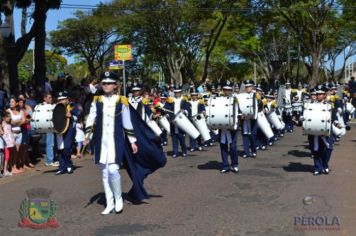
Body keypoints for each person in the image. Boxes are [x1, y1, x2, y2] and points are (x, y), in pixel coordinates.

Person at [84, 71, 166, 215]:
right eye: (104, 83)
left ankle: (118, 199)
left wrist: (133, 141)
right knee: (104, 172)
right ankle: (109, 203)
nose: (106, 85)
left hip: (117, 140)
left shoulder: (121, 101)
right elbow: (91, 118)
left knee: (113, 170)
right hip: (101, 140)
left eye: (109, 83)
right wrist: (87, 135)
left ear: (116, 85)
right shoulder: (97, 100)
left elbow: (128, 122)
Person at [55, 91, 80, 175]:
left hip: (69, 130)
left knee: (67, 148)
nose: (61, 101)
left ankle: (69, 165)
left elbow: (78, 117)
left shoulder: (73, 106)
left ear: (67, 99)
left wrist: (71, 116)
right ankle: (62, 167)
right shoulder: (56, 107)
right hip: (59, 130)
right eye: (59, 100)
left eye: (63, 99)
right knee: (60, 149)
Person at [219, 81, 239, 173]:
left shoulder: (235, 100)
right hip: (222, 127)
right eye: (225, 90)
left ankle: (234, 164)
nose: (227, 91)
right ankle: (225, 165)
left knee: (233, 147)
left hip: (232, 127)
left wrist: (240, 116)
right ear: (223, 90)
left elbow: (239, 111)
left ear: (231, 90)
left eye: (229, 90)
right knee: (223, 146)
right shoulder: (219, 100)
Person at [42, 93, 59, 167]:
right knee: (50, 144)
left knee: (53, 143)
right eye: (49, 97)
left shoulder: (51, 105)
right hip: (48, 126)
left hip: (52, 126)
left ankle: (52, 159)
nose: (51, 99)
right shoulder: (43, 106)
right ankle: (49, 161)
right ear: (44, 98)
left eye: (51, 97)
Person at [1, 112, 14, 176]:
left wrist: (13, 140)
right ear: (4, 117)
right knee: (7, 157)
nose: (10, 118)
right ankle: (4, 171)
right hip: (6, 143)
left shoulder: (9, 124)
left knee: (9, 156)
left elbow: (11, 132)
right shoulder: (3, 124)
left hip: (10, 143)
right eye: (8, 117)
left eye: (10, 116)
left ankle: (9, 169)